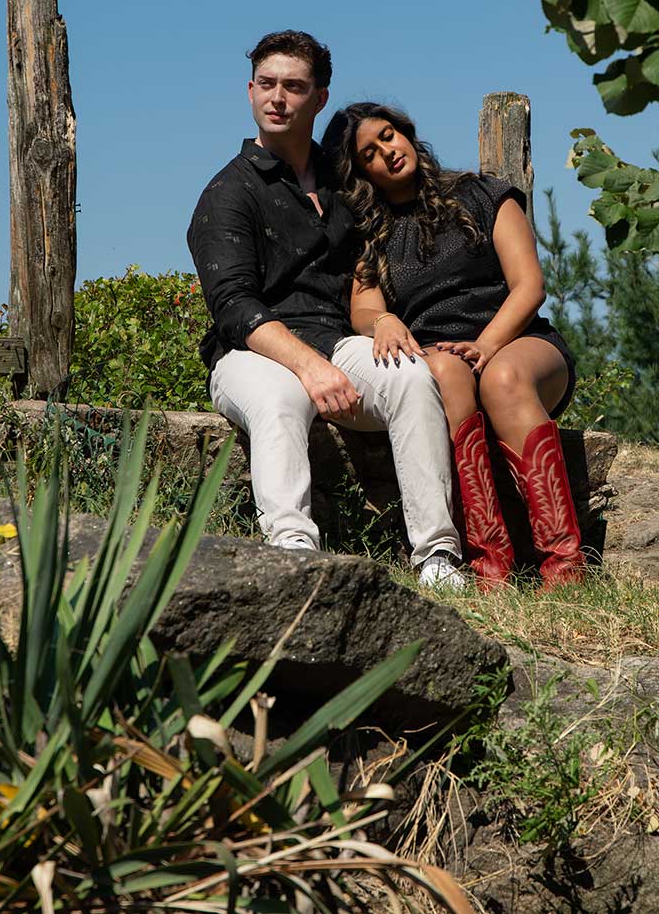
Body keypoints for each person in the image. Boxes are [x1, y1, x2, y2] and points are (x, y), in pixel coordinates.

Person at [187, 32, 464, 586]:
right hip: (251, 353)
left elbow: (365, 276)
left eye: (294, 87)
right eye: (267, 85)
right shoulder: (228, 192)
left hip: (336, 341)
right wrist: (309, 368)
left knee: (411, 376)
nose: (278, 98)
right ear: (249, 91)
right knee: (280, 395)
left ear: (319, 99)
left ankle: (437, 557)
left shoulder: (345, 186)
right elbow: (234, 307)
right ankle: (293, 552)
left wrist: (383, 319)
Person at [321, 101, 585, 590]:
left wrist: (486, 345)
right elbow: (363, 307)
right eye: (370, 153)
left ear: (406, 132)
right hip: (443, 357)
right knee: (443, 372)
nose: (388, 152)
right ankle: (490, 564)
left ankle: (564, 566)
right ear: (361, 173)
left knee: (503, 378)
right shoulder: (370, 235)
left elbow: (529, 285)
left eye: (389, 136)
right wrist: (382, 320)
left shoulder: (483, 193)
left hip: (518, 340)